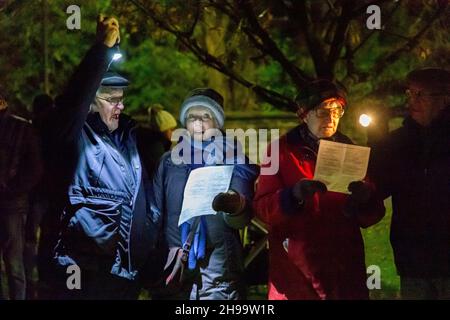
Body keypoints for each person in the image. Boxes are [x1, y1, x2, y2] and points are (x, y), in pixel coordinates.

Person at [46, 15, 158, 299]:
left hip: (124, 272)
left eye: (121, 98)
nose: (119, 105)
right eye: (111, 99)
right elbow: (73, 100)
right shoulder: (75, 134)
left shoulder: (129, 139)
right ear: (91, 102)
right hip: (83, 270)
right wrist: (102, 50)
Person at [253, 79, 385, 300]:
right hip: (297, 271)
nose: (331, 117)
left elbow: (372, 215)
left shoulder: (350, 150)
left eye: (337, 111)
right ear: (304, 114)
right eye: (323, 111)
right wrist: (292, 196)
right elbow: (262, 208)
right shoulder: (280, 151)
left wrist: (366, 198)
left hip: (344, 269)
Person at [152, 88, 259, 300]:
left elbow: (243, 217)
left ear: (217, 122)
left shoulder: (233, 159)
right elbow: (155, 211)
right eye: (192, 117)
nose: (198, 123)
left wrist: (235, 205)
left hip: (218, 265)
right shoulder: (169, 162)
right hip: (174, 262)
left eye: (206, 116)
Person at [370, 68, 450, 299]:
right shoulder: (399, 142)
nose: (412, 101)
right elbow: (378, 185)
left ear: (445, 98)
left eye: (420, 95)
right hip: (413, 261)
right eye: (410, 93)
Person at [0, 92, 43, 300]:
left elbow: (34, 167)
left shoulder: (21, 128)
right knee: (14, 262)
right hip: (12, 202)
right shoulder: (22, 127)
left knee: (14, 261)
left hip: (11, 204)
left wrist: (12, 189)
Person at [136, 104, 176, 180]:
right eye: (171, 129)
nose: (174, 132)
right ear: (162, 130)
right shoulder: (156, 148)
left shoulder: (162, 144)